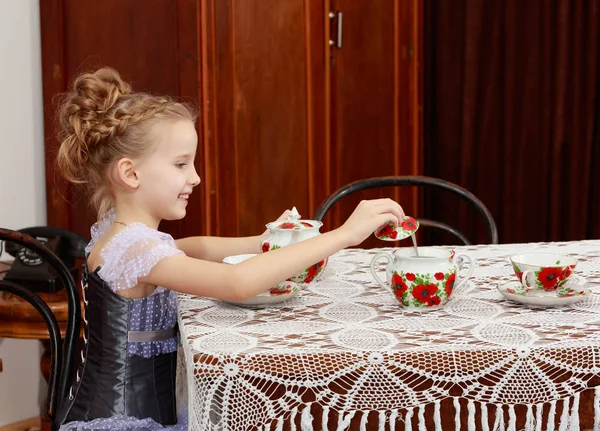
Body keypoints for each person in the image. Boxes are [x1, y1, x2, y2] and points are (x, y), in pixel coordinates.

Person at [54, 67, 404, 430]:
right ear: (130, 174)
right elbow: (237, 282)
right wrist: (343, 235)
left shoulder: (123, 235)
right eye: (180, 164)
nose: (195, 177)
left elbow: (193, 248)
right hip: (122, 422)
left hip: (131, 410)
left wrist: (265, 240)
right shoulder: (134, 248)